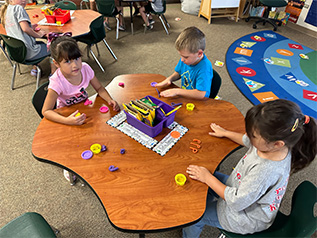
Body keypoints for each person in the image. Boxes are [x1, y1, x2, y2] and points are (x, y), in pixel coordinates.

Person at [183, 99, 317, 237]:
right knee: (205, 177)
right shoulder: (278, 146)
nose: (248, 136)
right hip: (242, 191)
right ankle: (207, 202)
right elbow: (247, 141)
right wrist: (225, 133)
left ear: (277, 144)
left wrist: (207, 178)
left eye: (253, 135)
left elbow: (237, 202)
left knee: (193, 218)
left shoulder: (265, 171)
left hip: (244, 217)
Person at [42, 35, 120, 125]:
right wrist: (67, 120)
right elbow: (46, 111)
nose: (75, 65)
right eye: (67, 61)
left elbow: (99, 88)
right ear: (57, 64)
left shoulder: (85, 68)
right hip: (67, 114)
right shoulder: (57, 82)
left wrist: (110, 100)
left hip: (84, 108)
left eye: (77, 58)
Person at [155, 27, 213, 99]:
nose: (182, 60)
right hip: (185, 97)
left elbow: (201, 94)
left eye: (185, 57)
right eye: (181, 56)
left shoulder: (205, 68)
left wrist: (177, 91)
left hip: (198, 102)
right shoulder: (187, 60)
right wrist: (169, 79)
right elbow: (179, 72)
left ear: (199, 53)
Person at [0, 0, 56, 76]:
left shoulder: (7, 9)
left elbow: (16, 26)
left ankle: (35, 69)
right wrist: (38, 35)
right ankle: (53, 74)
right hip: (28, 53)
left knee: (41, 44)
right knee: (53, 47)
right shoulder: (19, 8)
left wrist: (30, 26)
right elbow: (25, 29)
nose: (23, 0)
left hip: (17, 53)